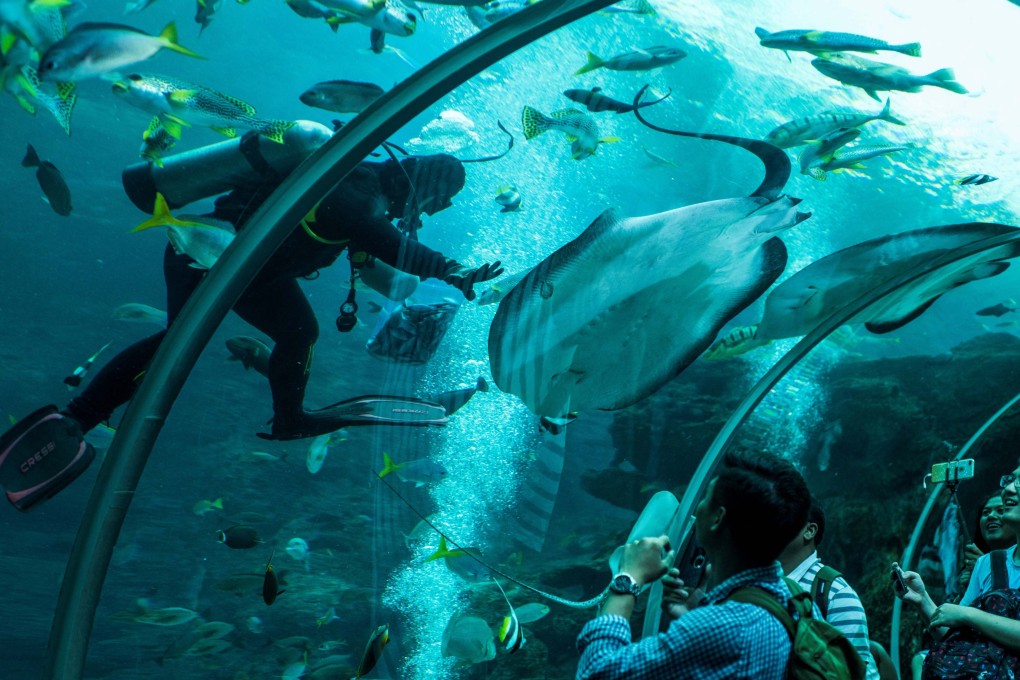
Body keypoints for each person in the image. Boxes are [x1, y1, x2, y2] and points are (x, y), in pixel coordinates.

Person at [0, 145, 503, 510]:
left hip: (249, 270)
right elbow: (379, 237)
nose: (443, 209)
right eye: (445, 196)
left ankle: (288, 418)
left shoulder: (362, 186)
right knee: (177, 343)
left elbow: (375, 249)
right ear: (428, 182)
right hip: (213, 257)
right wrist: (451, 269)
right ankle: (76, 419)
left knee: (295, 333)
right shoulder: (358, 188)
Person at [575, 451, 811, 679]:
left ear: (717, 518)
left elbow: (597, 672)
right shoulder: (796, 602)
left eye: (706, 497)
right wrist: (697, 614)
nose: (697, 509)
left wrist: (628, 578)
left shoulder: (723, 629)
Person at [778, 496, 880, 680]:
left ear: (809, 531)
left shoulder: (836, 594)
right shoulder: (761, 582)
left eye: (780, 515)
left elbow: (851, 673)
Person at [957, 491, 1018, 595]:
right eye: (985, 513)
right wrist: (965, 591)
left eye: (1000, 511)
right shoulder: (979, 564)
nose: (991, 516)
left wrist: (989, 569)